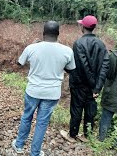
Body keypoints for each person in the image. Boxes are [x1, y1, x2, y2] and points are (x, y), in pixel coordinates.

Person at [12, 21, 76, 156]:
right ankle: (34, 152)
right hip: (52, 93)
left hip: (33, 90)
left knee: (27, 117)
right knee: (42, 123)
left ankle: (19, 145)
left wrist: (34, 47)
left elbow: (19, 63)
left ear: (43, 33)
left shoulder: (32, 48)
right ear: (58, 34)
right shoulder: (67, 51)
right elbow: (71, 70)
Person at [60, 15, 110, 143]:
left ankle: (72, 135)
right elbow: (105, 65)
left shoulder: (78, 43)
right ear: (94, 27)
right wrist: (97, 87)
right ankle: (87, 135)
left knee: (76, 108)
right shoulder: (101, 44)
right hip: (94, 87)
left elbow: (83, 66)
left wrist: (93, 84)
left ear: (83, 27)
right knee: (90, 109)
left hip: (79, 84)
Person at [99, 50, 117, 141]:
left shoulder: (114, 56)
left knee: (106, 116)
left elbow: (109, 75)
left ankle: (101, 140)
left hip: (113, 93)